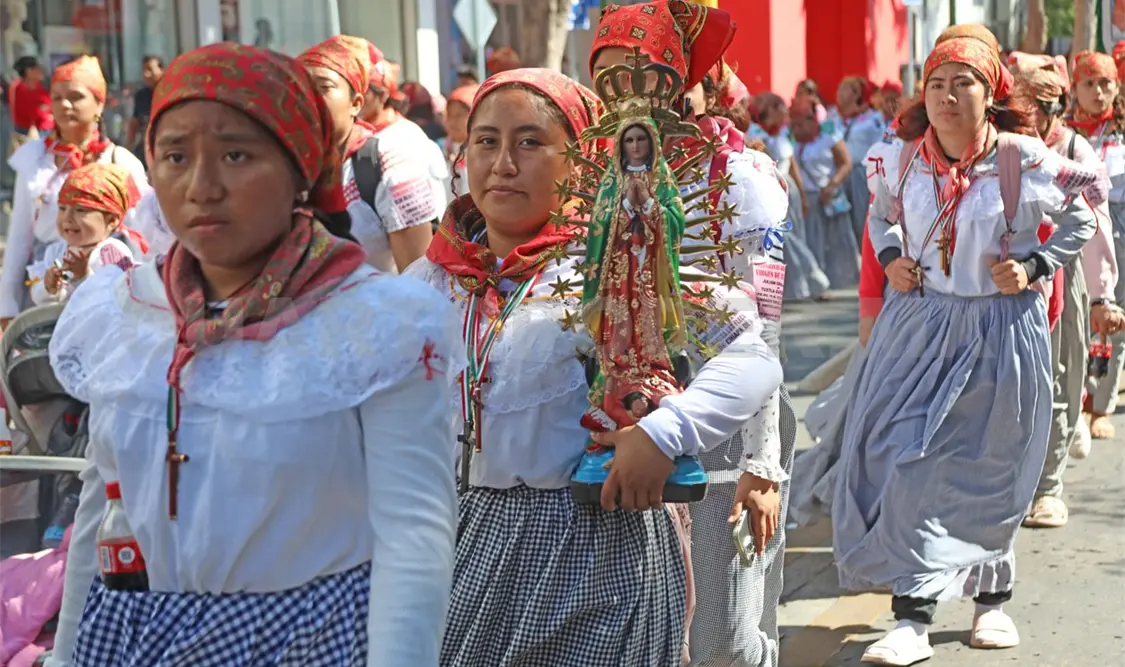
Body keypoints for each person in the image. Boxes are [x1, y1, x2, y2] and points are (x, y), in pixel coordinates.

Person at [43, 43, 460, 667]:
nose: (202, 186)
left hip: (310, 645)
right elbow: (103, 507)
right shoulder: (125, 310)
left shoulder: (374, 324)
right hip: (133, 640)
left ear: (300, 165)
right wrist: (67, 655)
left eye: (236, 154)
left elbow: (413, 535)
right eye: (176, 156)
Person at [412, 66, 782, 666]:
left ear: (583, 161)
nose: (503, 163)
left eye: (529, 142)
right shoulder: (433, 276)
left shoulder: (619, 257)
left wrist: (664, 433)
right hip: (461, 535)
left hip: (594, 539)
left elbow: (750, 354)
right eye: (486, 141)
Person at [837, 31, 1102, 665]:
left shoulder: (1021, 157)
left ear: (991, 94)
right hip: (921, 326)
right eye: (936, 84)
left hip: (1000, 328)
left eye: (963, 84)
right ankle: (912, 617)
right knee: (908, 460)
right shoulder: (900, 158)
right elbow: (880, 216)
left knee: (991, 464)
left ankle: (991, 602)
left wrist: (1035, 266)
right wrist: (893, 258)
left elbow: (1084, 213)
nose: (947, 96)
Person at [590, 3, 796, 664]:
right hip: (617, 428)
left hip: (723, 419)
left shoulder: (739, 179)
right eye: (606, 78)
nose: (622, 94)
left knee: (719, 639)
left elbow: (765, 325)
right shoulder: (588, 173)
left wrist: (761, 463)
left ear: (677, 79)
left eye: (639, 74)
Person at [1009, 52, 1122, 529]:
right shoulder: (1001, 145)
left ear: (1053, 106)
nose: (1023, 115)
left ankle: (1048, 488)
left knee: (1060, 377)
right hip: (1008, 280)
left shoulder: (1076, 152)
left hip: (1063, 272)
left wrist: (1102, 294)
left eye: (1033, 106)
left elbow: (1095, 226)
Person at [0, 55, 148, 328]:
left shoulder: (121, 162)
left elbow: (142, 238)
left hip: (110, 297)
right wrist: (7, 305)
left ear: (99, 103)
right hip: (45, 293)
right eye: (57, 97)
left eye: (76, 97)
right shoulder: (34, 158)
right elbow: (19, 237)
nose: (64, 105)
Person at [299, 35, 434, 269]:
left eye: (324, 87)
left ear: (355, 103)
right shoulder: (287, 168)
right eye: (301, 88)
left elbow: (419, 279)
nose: (310, 99)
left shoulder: (391, 164)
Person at [356, 43, 447, 270]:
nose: (357, 96)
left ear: (383, 93)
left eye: (365, 89)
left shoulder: (403, 139)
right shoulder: (355, 138)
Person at [1074, 48, 1125, 441]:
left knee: (1113, 319)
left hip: (1119, 232)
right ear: (1075, 88)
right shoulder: (1062, 134)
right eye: (1089, 83)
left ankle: (1101, 407)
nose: (1098, 91)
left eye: (1105, 83)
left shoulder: (1121, 133)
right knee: (1075, 319)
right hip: (1075, 233)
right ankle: (1074, 403)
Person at [29, 163, 146, 305]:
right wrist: (49, 286)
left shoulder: (113, 253)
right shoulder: (55, 251)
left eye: (80, 210)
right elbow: (41, 299)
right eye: (62, 208)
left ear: (111, 220)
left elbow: (115, 298)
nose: (67, 217)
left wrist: (83, 276)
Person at [791, 97, 860, 289]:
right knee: (812, 242)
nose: (796, 129)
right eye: (793, 124)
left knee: (835, 240)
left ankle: (842, 280)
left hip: (828, 196)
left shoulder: (829, 134)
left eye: (800, 124)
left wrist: (832, 185)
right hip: (807, 199)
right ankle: (818, 285)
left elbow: (846, 163)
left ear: (812, 120)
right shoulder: (791, 138)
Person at [836, 76, 886, 242]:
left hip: (860, 173)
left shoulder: (872, 119)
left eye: (846, 89)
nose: (840, 93)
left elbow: (880, 146)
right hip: (839, 174)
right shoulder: (834, 118)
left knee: (861, 219)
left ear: (857, 94)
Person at [7, 55, 52, 156]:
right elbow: (33, 112)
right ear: (28, 71)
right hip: (30, 133)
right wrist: (46, 111)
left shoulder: (38, 87)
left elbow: (48, 105)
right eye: (37, 68)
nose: (41, 71)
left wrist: (47, 109)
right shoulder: (19, 88)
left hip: (45, 130)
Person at [125, 55, 164, 166]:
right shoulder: (141, 96)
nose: (146, 74)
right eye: (144, 70)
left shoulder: (170, 92)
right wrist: (128, 148)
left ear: (162, 70)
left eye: (150, 69)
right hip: (146, 149)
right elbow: (134, 123)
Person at [444, 83, 477, 198]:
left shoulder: (484, 154)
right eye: (450, 115)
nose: (453, 121)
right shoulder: (440, 150)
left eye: (460, 115)